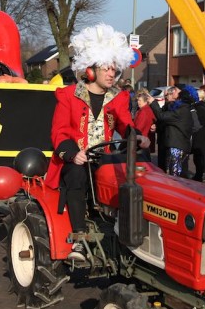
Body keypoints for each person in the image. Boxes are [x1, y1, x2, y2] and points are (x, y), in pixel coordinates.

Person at [44, 24, 149, 261]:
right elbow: (58, 133)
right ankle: (79, 237)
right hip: (75, 158)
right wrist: (73, 153)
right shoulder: (69, 96)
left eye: (115, 69)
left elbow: (124, 124)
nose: (112, 74)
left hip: (104, 157)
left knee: (134, 173)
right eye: (107, 69)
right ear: (91, 70)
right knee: (77, 174)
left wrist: (137, 136)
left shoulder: (118, 98)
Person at [148, 86, 192, 177]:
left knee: (174, 175)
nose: (171, 93)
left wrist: (153, 103)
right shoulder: (180, 108)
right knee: (174, 172)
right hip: (177, 144)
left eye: (175, 90)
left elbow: (162, 116)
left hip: (177, 146)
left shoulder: (181, 109)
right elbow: (168, 120)